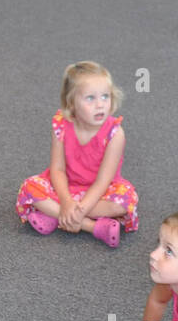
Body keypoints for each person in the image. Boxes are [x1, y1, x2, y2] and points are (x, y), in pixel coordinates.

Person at [15, 61, 138, 247]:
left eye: (105, 97)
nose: (100, 105)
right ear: (71, 102)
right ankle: (91, 227)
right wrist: (66, 202)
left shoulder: (115, 133)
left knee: (123, 201)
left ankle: (56, 216)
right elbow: (57, 169)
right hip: (65, 186)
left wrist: (80, 209)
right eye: (90, 98)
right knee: (29, 187)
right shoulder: (61, 125)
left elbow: (104, 180)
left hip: (101, 191)